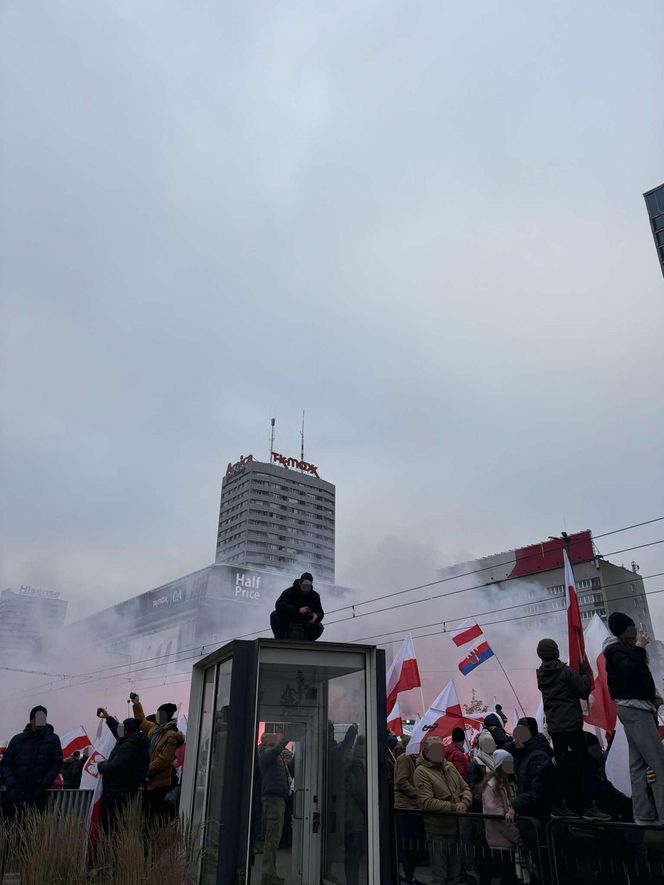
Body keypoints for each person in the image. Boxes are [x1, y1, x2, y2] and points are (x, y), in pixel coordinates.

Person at [603, 612, 664, 824]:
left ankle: (643, 814)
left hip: (637, 707)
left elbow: (635, 678)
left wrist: (652, 697)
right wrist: (639, 647)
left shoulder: (623, 650)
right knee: (658, 761)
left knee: (638, 764)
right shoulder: (615, 650)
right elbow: (630, 670)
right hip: (635, 710)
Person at [536, 638, 591, 818]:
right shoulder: (565, 672)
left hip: (555, 728)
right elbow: (583, 690)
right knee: (583, 765)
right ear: (556, 652)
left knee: (559, 764)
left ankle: (559, 804)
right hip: (572, 726)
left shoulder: (541, 675)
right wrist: (584, 673)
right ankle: (588, 806)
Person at [414, 735, 472, 885]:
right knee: (440, 877)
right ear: (426, 751)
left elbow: (465, 787)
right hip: (438, 831)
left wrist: (464, 802)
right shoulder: (421, 772)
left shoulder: (450, 767)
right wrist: (454, 807)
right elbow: (426, 802)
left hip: (457, 829)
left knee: (455, 877)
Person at [0, 706, 63, 816]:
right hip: (15, 794)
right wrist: (11, 784)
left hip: (38, 795)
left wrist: (43, 784)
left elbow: (57, 763)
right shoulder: (17, 740)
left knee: (34, 828)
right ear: (31, 719)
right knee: (13, 827)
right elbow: (6, 763)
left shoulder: (52, 740)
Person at [130, 693, 184, 821]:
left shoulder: (171, 735)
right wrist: (136, 703)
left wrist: (145, 771)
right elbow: (142, 721)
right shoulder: (155, 728)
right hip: (149, 781)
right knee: (146, 816)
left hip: (159, 785)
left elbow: (163, 760)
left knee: (153, 818)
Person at [97, 716, 149, 831]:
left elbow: (114, 767)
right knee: (117, 826)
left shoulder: (128, 747)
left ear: (126, 731)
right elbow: (118, 731)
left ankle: (109, 848)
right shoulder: (135, 742)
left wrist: (100, 766)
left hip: (117, 793)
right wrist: (108, 718)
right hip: (124, 791)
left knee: (111, 827)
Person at [481, 750, 522, 885]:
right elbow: (497, 818)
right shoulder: (493, 787)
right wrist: (517, 837)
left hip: (507, 840)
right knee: (505, 877)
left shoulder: (509, 783)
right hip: (499, 841)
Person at [258, 732, 291, 885]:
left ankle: (271, 872)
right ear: (265, 741)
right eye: (272, 737)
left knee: (274, 838)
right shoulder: (264, 754)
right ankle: (268, 875)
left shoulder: (274, 755)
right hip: (273, 800)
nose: (274, 739)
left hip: (278, 799)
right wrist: (285, 740)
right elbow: (273, 752)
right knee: (271, 838)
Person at [394, 735, 425, 885]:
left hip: (408, 807)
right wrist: (416, 793)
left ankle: (408, 875)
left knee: (409, 844)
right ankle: (409, 876)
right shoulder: (404, 759)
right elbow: (401, 781)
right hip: (407, 807)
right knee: (408, 845)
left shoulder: (406, 758)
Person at [511, 718, 553, 823]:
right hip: (528, 816)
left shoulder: (539, 756)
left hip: (538, 818)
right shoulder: (522, 754)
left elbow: (538, 790)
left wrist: (516, 805)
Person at [270, 572, 324, 641]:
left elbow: (320, 613)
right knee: (274, 615)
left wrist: (316, 616)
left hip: (306, 627)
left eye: (308, 586)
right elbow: (279, 605)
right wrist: (297, 609)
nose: (306, 589)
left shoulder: (315, 596)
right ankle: (280, 638)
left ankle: (308, 642)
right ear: (300, 582)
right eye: (305, 586)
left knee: (319, 626)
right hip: (288, 624)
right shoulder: (289, 592)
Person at [344, 736, 367, 885]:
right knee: (353, 853)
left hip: (354, 817)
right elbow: (359, 792)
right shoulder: (355, 766)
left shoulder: (357, 764)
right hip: (355, 817)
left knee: (354, 853)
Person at [467, 731, 497, 811]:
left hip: (497, 802)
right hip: (483, 806)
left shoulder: (496, 759)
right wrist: (484, 802)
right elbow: (473, 786)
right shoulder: (475, 763)